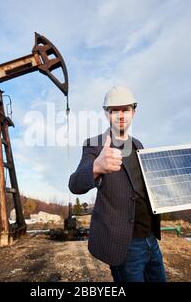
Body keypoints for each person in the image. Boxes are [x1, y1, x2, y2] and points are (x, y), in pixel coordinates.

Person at [68, 86, 167, 282]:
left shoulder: (138, 145)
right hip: (124, 243)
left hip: (150, 239)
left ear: (134, 112)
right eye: (115, 110)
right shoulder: (94, 145)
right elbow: (75, 184)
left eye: (126, 110)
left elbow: (150, 186)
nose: (121, 115)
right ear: (107, 113)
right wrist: (96, 166)